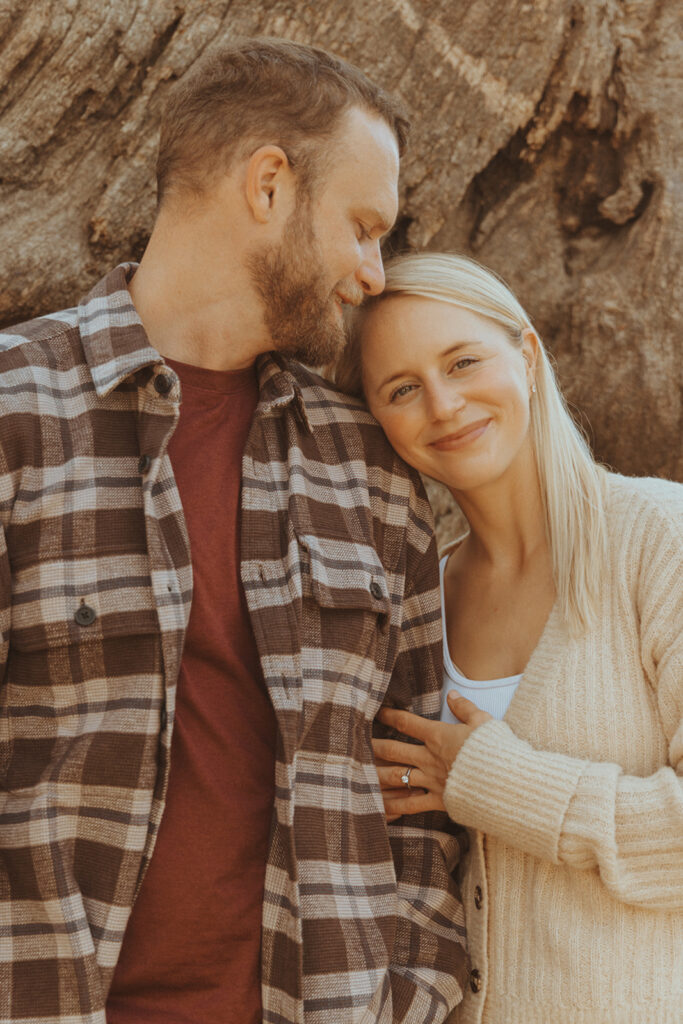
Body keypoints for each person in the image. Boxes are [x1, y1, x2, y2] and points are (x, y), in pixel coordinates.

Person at [0, 41, 470, 1024]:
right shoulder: (17, 413)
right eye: (361, 226)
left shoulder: (371, 471)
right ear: (268, 185)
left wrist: (413, 994)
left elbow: (424, 796)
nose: (370, 273)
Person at [333, 251, 683, 1024]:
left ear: (525, 356)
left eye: (462, 361)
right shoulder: (413, 602)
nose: (444, 404)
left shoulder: (659, 538)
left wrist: (489, 780)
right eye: (401, 389)